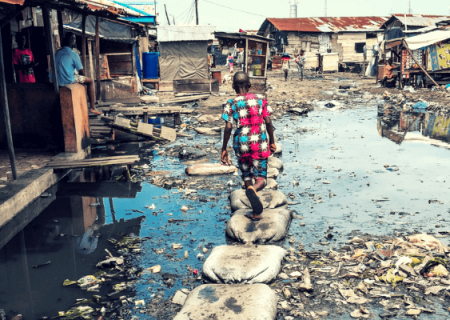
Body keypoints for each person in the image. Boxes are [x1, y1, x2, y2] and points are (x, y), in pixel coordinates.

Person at [221, 72, 277, 221]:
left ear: (233, 87)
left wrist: (224, 148)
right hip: (260, 142)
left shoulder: (231, 102)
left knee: (246, 175)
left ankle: (254, 210)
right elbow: (269, 122)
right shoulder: (261, 99)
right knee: (261, 178)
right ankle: (255, 189)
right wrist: (272, 141)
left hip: (242, 144)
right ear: (249, 85)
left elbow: (228, 127)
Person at [52, 32, 101, 115]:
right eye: (74, 39)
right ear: (73, 41)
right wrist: (84, 79)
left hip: (54, 79)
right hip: (67, 80)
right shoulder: (73, 54)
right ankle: (92, 107)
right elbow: (81, 72)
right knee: (90, 81)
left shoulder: (57, 53)